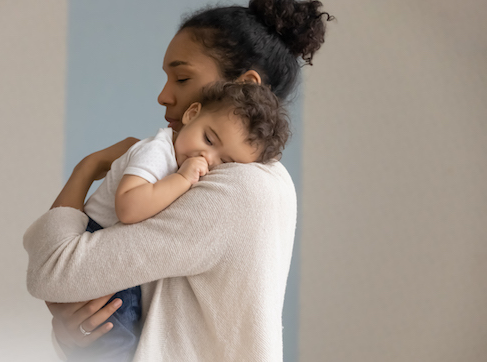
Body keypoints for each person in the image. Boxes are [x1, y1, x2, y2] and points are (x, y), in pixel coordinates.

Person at [24, 0, 333, 360]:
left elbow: (52, 270)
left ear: (246, 84)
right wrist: (76, 334)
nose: (163, 95)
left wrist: (88, 168)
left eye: (182, 78)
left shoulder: (241, 189)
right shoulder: (245, 179)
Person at [68, 81, 290, 361]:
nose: (206, 158)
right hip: (96, 237)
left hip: (116, 251)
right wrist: (183, 179)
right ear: (191, 114)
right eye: (208, 140)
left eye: (225, 162)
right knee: (116, 343)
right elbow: (129, 207)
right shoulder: (156, 151)